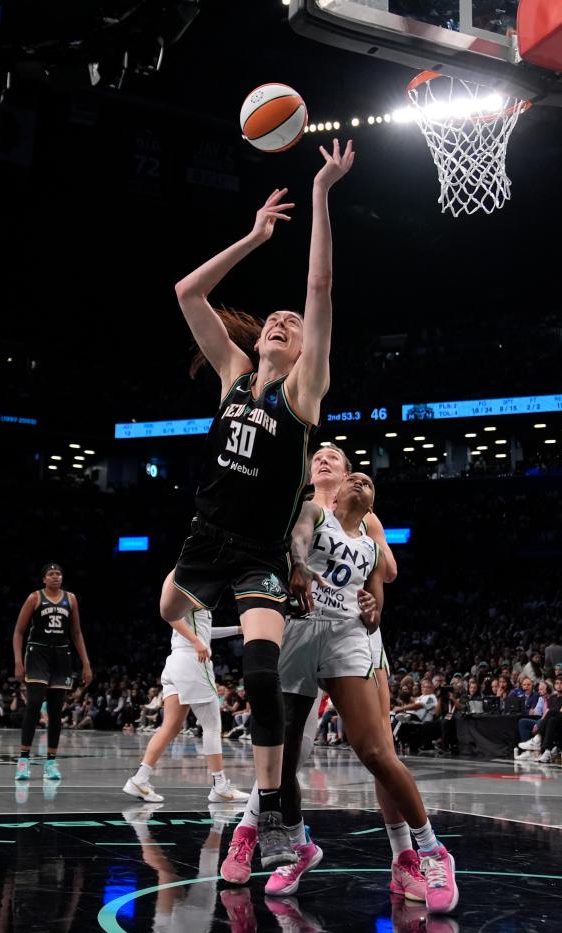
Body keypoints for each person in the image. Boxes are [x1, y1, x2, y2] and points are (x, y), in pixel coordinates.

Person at [157, 140, 355, 868]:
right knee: (167, 609)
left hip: (258, 555)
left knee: (263, 673)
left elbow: (321, 289)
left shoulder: (303, 395)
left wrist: (323, 193)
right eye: (273, 316)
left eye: (290, 321)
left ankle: (273, 812)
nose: (281, 318)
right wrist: (255, 235)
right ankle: (269, 809)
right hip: (206, 536)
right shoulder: (234, 372)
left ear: (305, 349)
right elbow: (187, 293)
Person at [226, 473, 458, 913]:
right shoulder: (315, 511)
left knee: (374, 751)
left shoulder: (372, 543)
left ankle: (432, 852)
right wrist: (298, 565)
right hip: (300, 629)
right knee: (285, 756)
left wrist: (373, 608)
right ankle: (294, 844)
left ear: (372, 502)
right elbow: (296, 536)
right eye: (352, 475)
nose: (358, 480)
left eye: (367, 479)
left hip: (346, 638)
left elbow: (376, 607)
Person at [123, 605, 248, 805]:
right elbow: (171, 615)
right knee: (212, 726)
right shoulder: (192, 589)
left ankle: (139, 779)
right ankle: (220, 786)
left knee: (170, 727)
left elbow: (205, 633)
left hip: (176, 663)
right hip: (192, 661)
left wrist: (237, 630)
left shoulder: (199, 597)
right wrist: (196, 641)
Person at [12, 563, 94, 781]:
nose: (56, 577)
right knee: (34, 704)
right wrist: (18, 662)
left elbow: (76, 632)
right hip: (37, 653)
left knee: (56, 711)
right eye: (51, 574)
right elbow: (19, 632)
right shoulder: (34, 598)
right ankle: (23, 760)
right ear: (44, 579)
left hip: (61, 655)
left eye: (59, 573)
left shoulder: (71, 599)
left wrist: (86, 663)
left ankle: (51, 762)